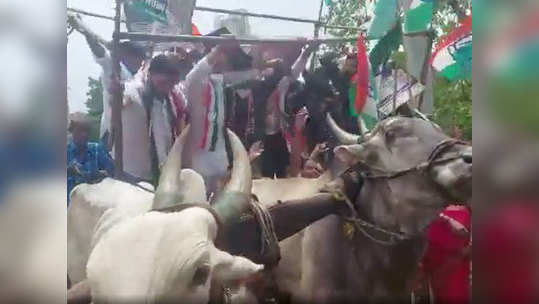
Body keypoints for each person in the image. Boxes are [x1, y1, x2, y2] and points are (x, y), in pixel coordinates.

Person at [184, 38, 264, 194]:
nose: (226, 60)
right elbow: (197, 72)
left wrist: (260, 67)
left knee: (220, 199)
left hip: (218, 154)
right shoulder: (195, 81)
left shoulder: (219, 81)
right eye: (223, 56)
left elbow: (243, 76)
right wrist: (219, 48)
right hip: (199, 154)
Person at [68, 13, 146, 148]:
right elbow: (98, 50)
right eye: (136, 55)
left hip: (129, 133)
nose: (139, 60)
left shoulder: (138, 76)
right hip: (112, 132)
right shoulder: (114, 66)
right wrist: (85, 31)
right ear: (125, 54)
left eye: (140, 56)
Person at [120, 53, 192, 184]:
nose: (166, 87)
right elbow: (120, 101)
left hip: (159, 173)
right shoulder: (132, 91)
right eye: (163, 82)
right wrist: (119, 100)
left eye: (171, 84)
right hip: (132, 174)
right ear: (151, 74)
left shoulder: (168, 100)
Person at [67, 113, 114, 204]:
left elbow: (112, 172)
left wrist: (101, 175)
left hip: (94, 206)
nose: (85, 134)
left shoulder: (97, 149)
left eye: (87, 131)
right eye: (80, 131)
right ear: (71, 130)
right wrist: (68, 170)